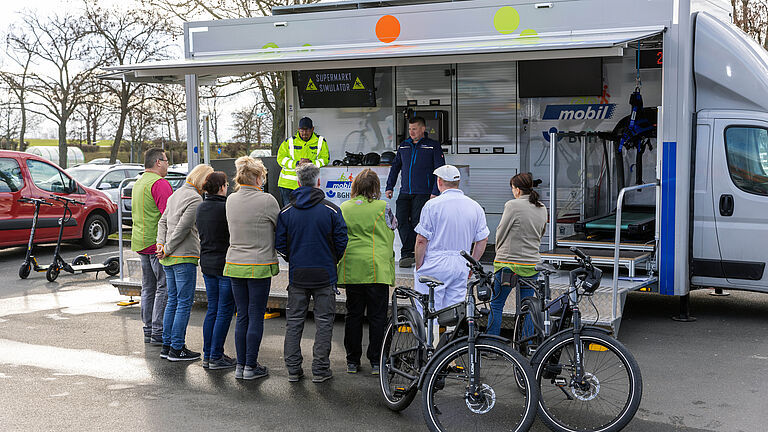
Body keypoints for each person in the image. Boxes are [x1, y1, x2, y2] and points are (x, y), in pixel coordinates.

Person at [275, 163, 348, 383]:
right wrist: (332, 259)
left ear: (298, 182)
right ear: (318, 182)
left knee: (294, 321)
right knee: (324, 321)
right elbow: (342, 240)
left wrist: (293, 258)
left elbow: (280, 244)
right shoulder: (332, 210)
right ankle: (320, 369)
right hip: (325, 274)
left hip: (298, 274)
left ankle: (293, 370)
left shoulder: (286, 212)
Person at [414, 165, 489, 342]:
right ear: (458, 182)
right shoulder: (474, 206)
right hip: (461, 262)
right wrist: (472, 264)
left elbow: (421, 240)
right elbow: (482, 240)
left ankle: (429, 353)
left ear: (439, 182)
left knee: (429, 311)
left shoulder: (432, 205)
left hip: (434, 262)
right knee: (454, 312)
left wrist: (419, 265)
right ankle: (450, 354)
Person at [224, 157, 281, 380]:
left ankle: (240, 365)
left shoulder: (231, 200)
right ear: (258, 177)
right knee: (256, 315)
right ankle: (250, 365)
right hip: (259, 264)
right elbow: (280, 227)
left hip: (235, 263)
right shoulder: (267, 200)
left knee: (242, 316)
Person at [337, 169, 397, 375]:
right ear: (375, 187)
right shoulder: (383, 207)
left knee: (353, 314)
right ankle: (376, 360)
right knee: (377, 316)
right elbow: (393, 227)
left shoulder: (344, 207)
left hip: (353, 267)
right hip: (376, 267)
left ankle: (352, 361)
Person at [156, 163, 213, 362]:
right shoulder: (195, 199)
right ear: (203, 180)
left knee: (173, 300)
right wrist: (167, 248)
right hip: (183, 255)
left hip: (168, 257)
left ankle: (167, 344)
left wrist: (161, 245)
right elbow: (183, 228)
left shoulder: (176, 194)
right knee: (184, 302)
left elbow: (162, 222)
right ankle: (177, 347)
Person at [487, 172, 548, 336]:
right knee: (528, 306)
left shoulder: (512, 205)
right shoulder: (542, 208)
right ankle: (525, 344)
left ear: (518, 190)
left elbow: (501, 232)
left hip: (508, 264)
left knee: (497, 304)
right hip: (531, 264)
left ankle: (492, 343)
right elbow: (541, 233)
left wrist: (498, 252)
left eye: (513, 188)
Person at [385, 116, 445, 268]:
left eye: (415, 128)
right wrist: (389, 186)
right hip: (405, 191)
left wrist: (435, 191)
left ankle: (417, 253)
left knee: (418, 222)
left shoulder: (433, 146)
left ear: (423, 129)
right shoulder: (404, 146)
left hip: (424, 192)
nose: (411, 132)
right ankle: (408, 253)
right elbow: (395, 167)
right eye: (410, 129)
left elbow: (440, 170)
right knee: (401, 221)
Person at [131, 148, 173, 345]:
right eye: (166, 161)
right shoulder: (160, 184)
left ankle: (148, 328)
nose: (168, 164)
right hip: (156, 244)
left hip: (141, 241)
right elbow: (169, 217)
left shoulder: (138, 183)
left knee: (148, 287)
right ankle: (159, 330)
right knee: (164, 287)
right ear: (158, 162)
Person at [196, 171, 235, 370]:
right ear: (221, 187)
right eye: (226, 185)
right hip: (224, 265)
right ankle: (217, 355)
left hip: (207, 263)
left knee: (213, 309)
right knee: (224, 310)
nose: (227, 188)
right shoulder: (226, 208)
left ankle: (207, 354)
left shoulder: (201, 207)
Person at [276, 117, 330, 207]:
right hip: (287, 185)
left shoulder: (321, 141)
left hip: (309, 185)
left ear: (312, 129)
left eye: (307, 130)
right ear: (298, 129)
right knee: (289, 212)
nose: (304, 133)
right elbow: (280, 159)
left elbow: (325, 159)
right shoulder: (288, 142)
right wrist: (296, 164)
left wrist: (311, 163)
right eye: (302, 130)